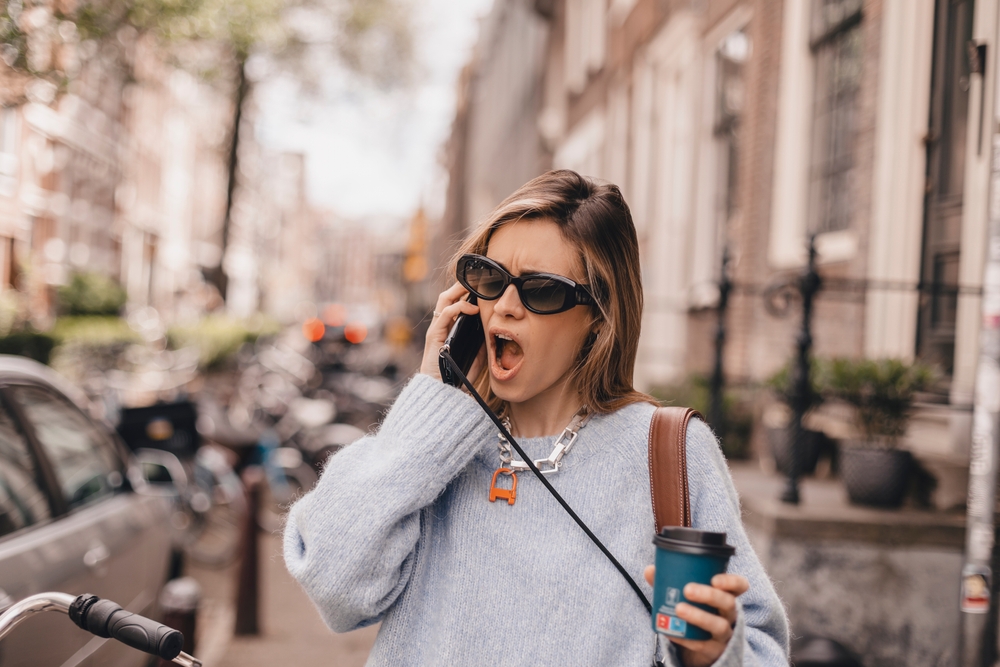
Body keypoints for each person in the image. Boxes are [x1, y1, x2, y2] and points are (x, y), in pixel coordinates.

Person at [284, 170, 789, 666]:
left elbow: (761, 649)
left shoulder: (670, 451)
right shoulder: (432, 450)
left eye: (540, 290)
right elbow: (334, 586)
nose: (503, 307)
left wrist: (717, 652)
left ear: (598, 315)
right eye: (489, 277)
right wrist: (428, 413)